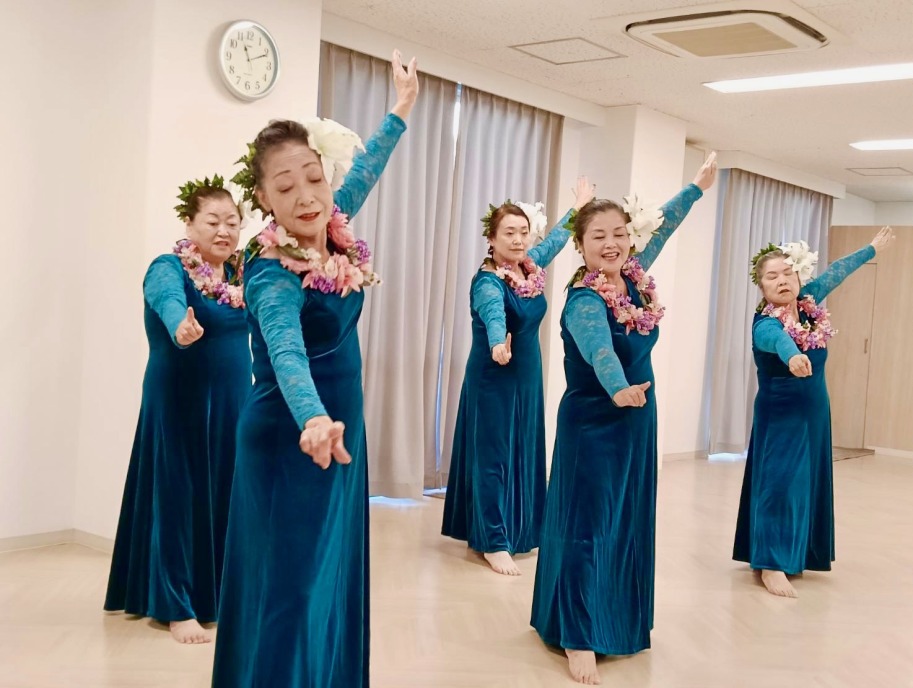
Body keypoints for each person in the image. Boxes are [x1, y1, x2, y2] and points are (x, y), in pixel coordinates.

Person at [211, 50, 418, 687]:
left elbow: (366, 172)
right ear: (264, 200)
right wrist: (312, 419)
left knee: (325, 575)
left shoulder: (331, 226)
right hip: (293, 437)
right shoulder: (271, 272)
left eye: (313, 176)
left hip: (337, 434)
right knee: (293, 588)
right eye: (285, 186)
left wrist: (400, 110)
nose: (305, 195)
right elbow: (286, 353)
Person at [531, 153, 718, 685]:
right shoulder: (584, 300)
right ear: (580, 245)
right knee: (588, 524)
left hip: (637, 418)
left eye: (618, 234)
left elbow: (663, 228)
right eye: (598, 236)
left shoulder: (634, 279)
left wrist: (695, 187)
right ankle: (578, 632)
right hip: (595, 422)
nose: (610, 244)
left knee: (624, 520)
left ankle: (617, 617)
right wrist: (618, 390)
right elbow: (600, 351)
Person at [105, 175, 249, 644]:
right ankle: (177, 605)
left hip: (232, 404)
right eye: (213, 221)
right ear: (189, 224)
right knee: (178, 495)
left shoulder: (242, 275)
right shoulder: (168, 267)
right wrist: (178, 326)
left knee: (228, 492)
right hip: (180, 400)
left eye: (232, 222)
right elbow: (167, 299)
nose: (224, 230)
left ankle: (220, 596)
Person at [442, 179, 596, 576]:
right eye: (509, 233)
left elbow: (557, 240)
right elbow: (494, 314)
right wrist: (498, 343)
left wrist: (579, 205)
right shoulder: (488, 282)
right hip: (494, 377)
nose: (518, 240)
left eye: (523, 232)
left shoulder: (529, 266)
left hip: (527, 376)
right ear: (491, 239)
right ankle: (493, 540)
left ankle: (518, 528)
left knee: (521, 450)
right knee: (493, 456)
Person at [733, 226, 896, 598]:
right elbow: (778, 341)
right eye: (771, 276)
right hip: (781, 414)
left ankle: (800, 551)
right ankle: (771, 563)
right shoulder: (765, 324)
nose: (782, 280)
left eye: (787, 273)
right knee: (778, 484)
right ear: (761, 287)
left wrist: (871, 249)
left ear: (797, 276)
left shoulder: (808, 304)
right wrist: (793, 357)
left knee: (806, 482)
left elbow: (837, 272)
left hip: (815, 412)